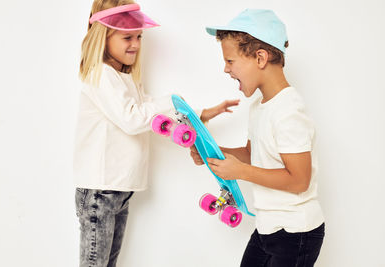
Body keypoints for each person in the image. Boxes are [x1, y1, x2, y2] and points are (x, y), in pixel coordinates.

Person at [74, 1, 239, 266]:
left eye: (139, 36)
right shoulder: (100, 75)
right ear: (102, 36)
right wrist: (171, 101)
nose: (136, 44)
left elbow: (151, 115)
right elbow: (132, 118)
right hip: (101, 190)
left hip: (119, 189)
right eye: (127, 37)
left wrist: (200, 114)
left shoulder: (124, 77)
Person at [190, 9, 325, 267]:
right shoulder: (260, 107)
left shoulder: (288, 112)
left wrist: (240, 171)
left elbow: (299, 180)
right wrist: (213, 151)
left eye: (230, 61)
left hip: (296, 232)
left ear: (260, 58)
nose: (225, 69)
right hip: (268, 227)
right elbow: (254, 155)